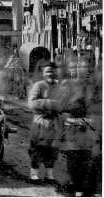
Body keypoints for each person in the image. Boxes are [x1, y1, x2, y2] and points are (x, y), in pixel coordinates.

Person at [59, 58, 96, 196]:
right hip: (73, 131)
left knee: (89, 162)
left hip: (90, 131)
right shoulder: (68, 87)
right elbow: (61, 108)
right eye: (79, 67)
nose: (81, 71)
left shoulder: (95, 88)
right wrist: (70, 119)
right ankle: (76, 188)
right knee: (74, 161)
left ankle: (87, 190)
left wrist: (89, 121)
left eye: (85, 68)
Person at [27, 63, 62, 183]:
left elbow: (65, 103)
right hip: (40, 122)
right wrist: (51, 103)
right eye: (48, 71)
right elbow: (32, 103)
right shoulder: (38, 86)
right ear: (43, 73)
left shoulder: (60, 86)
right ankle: (34, 175)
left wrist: (58, 105)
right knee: (37, 148)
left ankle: (49, 175)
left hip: (55, 123)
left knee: (52, 149)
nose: (51, 74)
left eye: (53, 71)